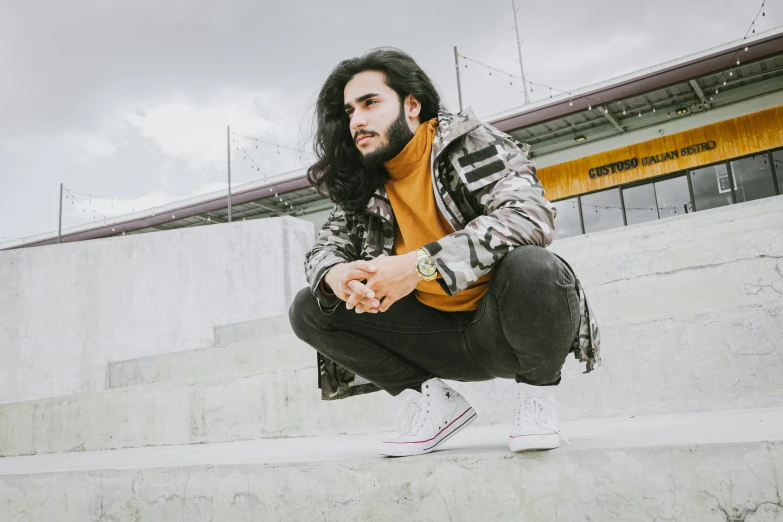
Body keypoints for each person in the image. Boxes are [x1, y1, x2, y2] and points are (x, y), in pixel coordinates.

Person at [289, 47, 601, 457]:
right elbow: (324, 249)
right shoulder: (363, 181)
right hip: (433, 340)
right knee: (312, 307)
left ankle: (538, 400)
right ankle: (430, 404)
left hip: (505, 330)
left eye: (370, 103)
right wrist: (336, 276)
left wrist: (420, 265)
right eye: (349, 111)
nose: (357, 121)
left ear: (412, 105)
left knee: (535, 267)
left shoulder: (465, 143)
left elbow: (530, 215)